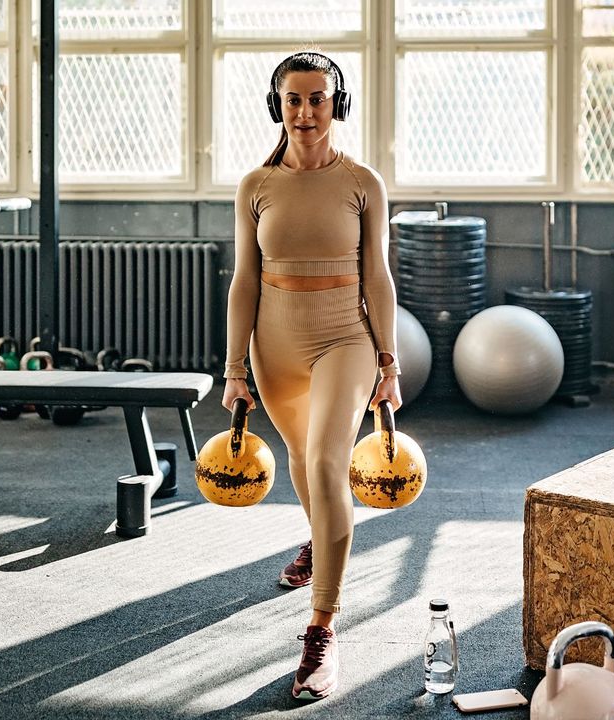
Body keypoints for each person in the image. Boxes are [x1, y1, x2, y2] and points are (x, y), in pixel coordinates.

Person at [222, 51, 401, 701]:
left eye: (317, 98)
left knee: (327, 464)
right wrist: (234, 368)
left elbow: (378, 278)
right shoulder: (255, 186)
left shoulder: (363, 183)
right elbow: (245, 280)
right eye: (293, 99)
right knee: (301, 460)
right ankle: (320, 538)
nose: (305, 112)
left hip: (343, 339)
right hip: (276, 343)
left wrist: (389, 362)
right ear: (278, 106)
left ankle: (321, 631)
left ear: (338, 102)